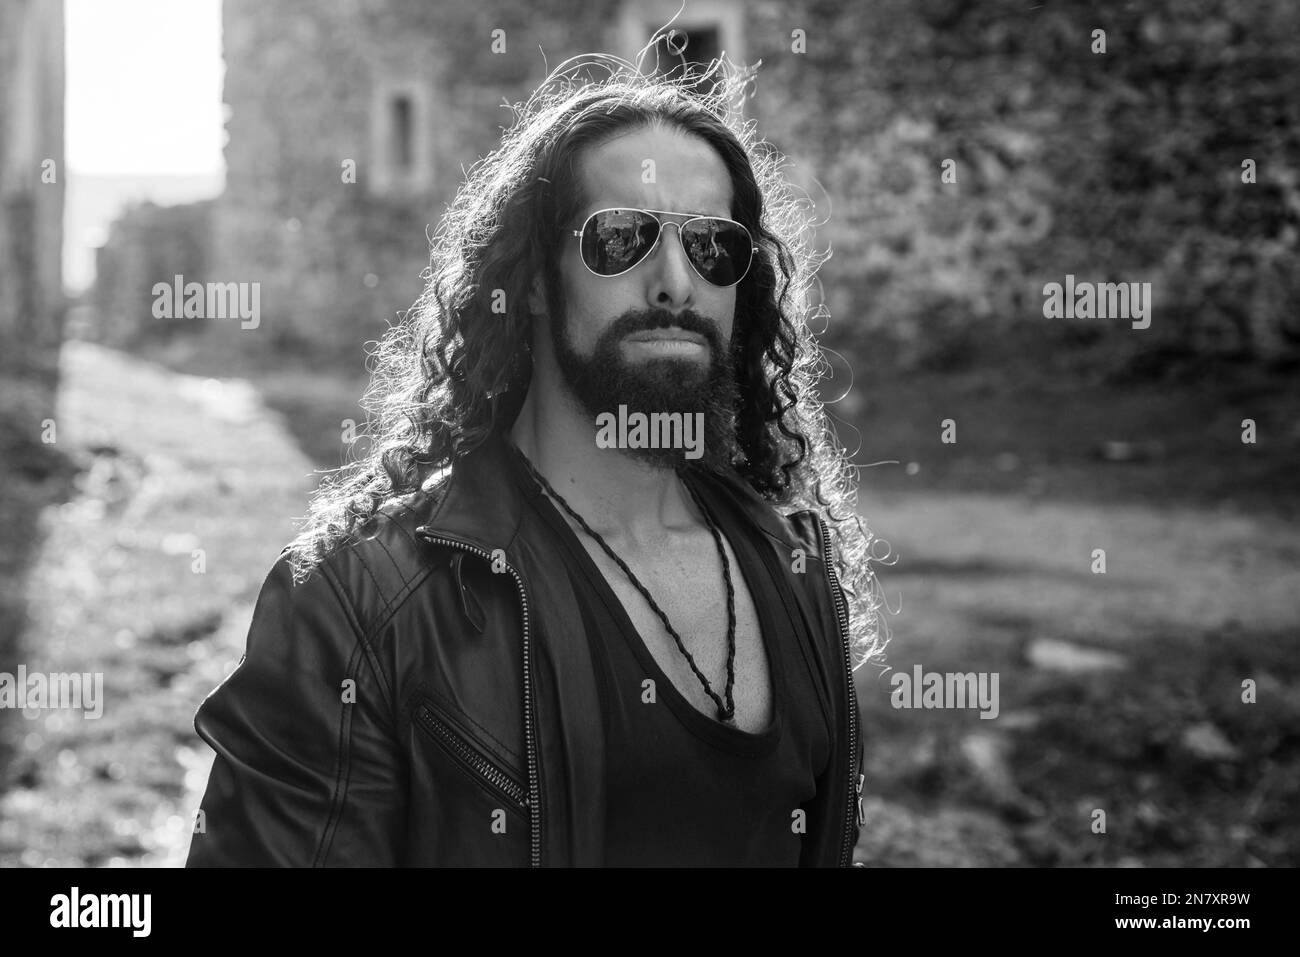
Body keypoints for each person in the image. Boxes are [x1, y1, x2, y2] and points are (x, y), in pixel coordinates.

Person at [186, 51, 886, 868]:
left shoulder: (796, 566)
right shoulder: (364, 605)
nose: (674, 283)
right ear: (531, 281)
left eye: (712, 247)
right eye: (621, 239)